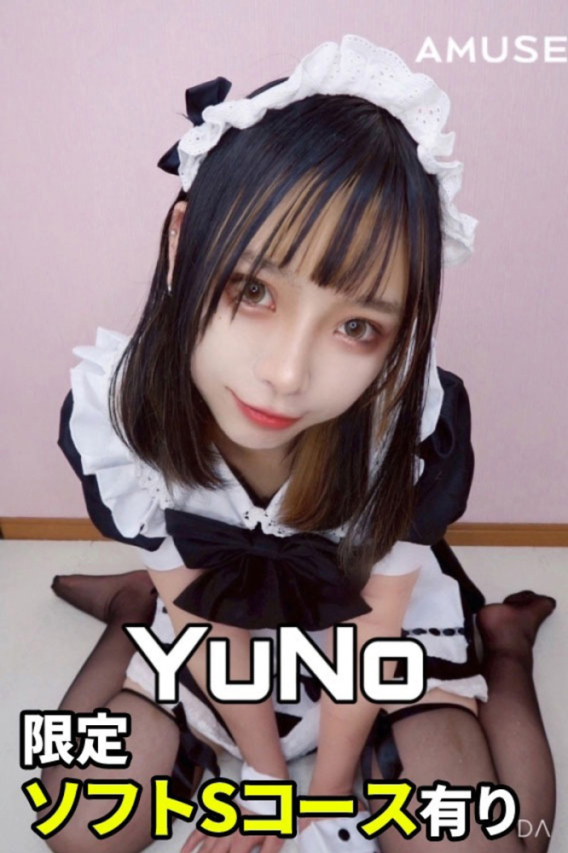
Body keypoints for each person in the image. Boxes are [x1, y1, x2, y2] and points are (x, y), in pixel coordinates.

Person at [44, 35, 556, 853]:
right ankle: (136, 605)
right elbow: (206, 621)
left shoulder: (408, 424)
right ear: (182, 241)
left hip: (366, 628)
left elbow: (369, 634)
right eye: (253, 289)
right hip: (212, 619)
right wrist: (264, 775)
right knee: (76, 832)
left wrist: (319, 795)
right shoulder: (121, 410)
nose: (286, 375)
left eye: (357, 326)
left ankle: (505, 642)